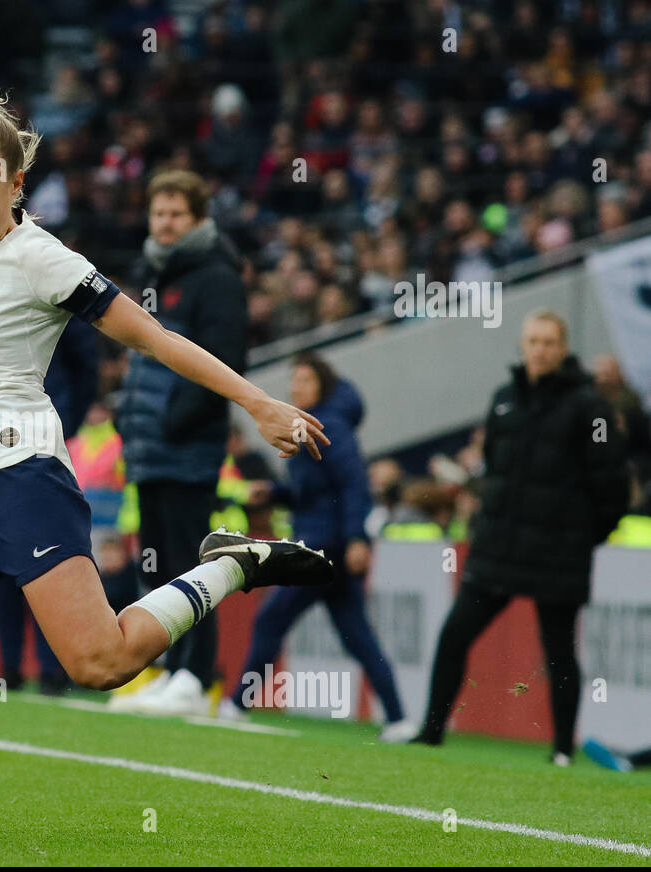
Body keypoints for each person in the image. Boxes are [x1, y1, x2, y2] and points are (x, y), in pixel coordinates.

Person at [0, 53, 333, 838]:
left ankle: (232, 566)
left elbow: (153, 336)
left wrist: (256, 401)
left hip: (21, 481)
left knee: (99, 663)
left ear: (13, 181)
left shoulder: (43, 260)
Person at [411, 311, 630, 764]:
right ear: (522, 345)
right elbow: (494, 466)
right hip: (498, 548)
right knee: (454, 635)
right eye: (532, 340)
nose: (540, 349)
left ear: (564, 347)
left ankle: (562, 751)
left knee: (558, 654)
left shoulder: (590, 407)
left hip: (557, 554)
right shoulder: (503, 398)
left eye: (549, 341)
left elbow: (612, 485)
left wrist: (581, 538)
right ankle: (430, 734)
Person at [111, 169, 251, 716]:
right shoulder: (151, 269)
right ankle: (169, 669)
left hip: (188, 446)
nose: (164, 224)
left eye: (176, 214)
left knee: (191, 562)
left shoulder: (217, 277)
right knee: (157, 564)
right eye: (158, 213)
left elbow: (225, 362)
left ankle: (197, 675)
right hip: (148, 446)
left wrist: (175, 421)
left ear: (197, 219)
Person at [217, 353, 412, 741]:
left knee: (272, 619)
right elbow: (316, 494)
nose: (296, 387)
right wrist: (273, 493)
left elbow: (354, 487)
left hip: (323, 549)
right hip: (328, 545)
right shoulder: (306, 424)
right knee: (357, 635)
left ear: (322, 386)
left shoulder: (331, 426)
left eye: (305, 380)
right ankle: (399, 719)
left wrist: (357, 538)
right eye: (294, 380)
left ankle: (237, 703)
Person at [0, 314, 99, 696]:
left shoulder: (57, 293)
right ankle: (11, 666)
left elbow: (88, 367)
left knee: (42, 558)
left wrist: (64, 423)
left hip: (40, 441)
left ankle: (49, 667)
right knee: (6, 559)